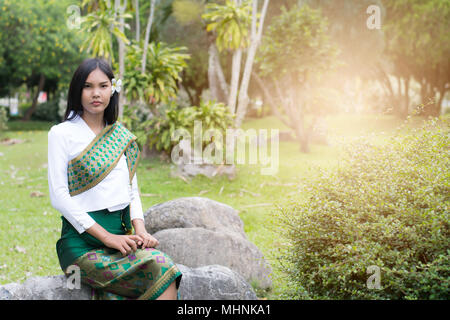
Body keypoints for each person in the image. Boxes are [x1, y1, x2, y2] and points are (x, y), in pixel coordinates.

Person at [47, 58, 182, 300]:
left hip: (123, 241)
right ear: (77, 91)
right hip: (80, 246)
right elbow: (59, 197)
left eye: (102, 86)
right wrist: (108, 238)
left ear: (113, 89)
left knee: (164, 269)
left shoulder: (120, 135)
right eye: (87, 86)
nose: (95, 93)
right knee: (159, 268)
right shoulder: (61, 133)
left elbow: (132, 190)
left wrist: (140, 230)